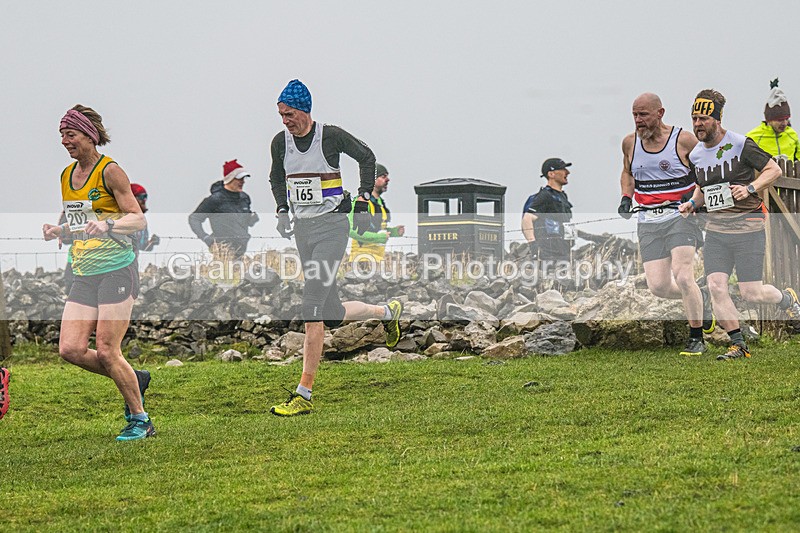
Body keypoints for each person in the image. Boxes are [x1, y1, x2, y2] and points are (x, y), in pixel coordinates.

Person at [268, 79, 403, 417]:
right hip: (303, 231)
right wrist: (282, 209)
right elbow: (276, 178)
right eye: (281, 114)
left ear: (305, 110)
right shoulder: (280, 143)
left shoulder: (330, 136)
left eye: (289, 114)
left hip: (332, 228)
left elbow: (366, 157)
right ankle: (388, 313)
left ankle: (303, 394)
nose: (285, 120)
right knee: (331, 312)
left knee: (311, 306)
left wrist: (364, 197)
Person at [42, 105, 155, 440]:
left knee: (107, 350)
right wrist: (60, 231)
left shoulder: (111, 171)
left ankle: (140, 420)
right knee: (70, 349)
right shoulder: (66, 176)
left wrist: (109, 225)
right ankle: (134, 377)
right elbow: (79, 223)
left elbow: (138, 218)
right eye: (62, 135)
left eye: (71, 134)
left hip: (117, 269)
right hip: (84, 271)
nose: (65, 141)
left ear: (89, 136)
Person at [678, 89, 800, 360]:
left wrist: (750, 188)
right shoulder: (696, 155)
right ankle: (738, 344)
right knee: (716, 286)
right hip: (716, 232)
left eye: (703, 119)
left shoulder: (740, 144)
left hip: (748, 230)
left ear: (717, 119)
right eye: (694, 119)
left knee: (751, 292)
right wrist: (693, 204)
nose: (697, 124)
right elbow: (702, 187)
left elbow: (774, 170)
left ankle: (786, 299)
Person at [617, 92, 715, 357]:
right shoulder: (630, 143)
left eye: (643, 114)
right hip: (648, 220)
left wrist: (694, 196)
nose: (638, 120)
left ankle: (696, 338)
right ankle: (701, 297)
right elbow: (627, 173)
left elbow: (706, 171)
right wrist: (626, 198)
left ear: (660, 113)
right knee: (658, 287)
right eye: (635, 115)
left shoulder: (683, 140)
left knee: (683, 275)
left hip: (680, 216)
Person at [188, 159, 259, 259]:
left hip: (242, 250)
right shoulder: (215, 199)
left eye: (244, 178)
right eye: (239, 178)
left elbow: (242, 222)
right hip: (222, 252)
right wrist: (205, 237)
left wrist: (251, 219)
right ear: (229, 179)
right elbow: (194, 218)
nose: (243, 181)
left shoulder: (245, 198)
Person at [348, 163, 405, 264]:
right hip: (362, 261)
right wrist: (379, 238)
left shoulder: (379, 203)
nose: (388, 180)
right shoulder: (361, 203)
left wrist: (394, 232)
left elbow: (377, 229)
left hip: (378, 260)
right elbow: (351, 230)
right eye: (383, 176)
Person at [521, 158, 574, 263]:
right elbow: (527, 219)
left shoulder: (563, 196)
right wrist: (533, 245)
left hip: (564, 252)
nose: (568, 172)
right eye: (563, 169)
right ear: (551, 174)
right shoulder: (545, 195)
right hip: (548, 254)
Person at [746, 79, 800, 161]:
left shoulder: (792, 134)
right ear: (769, 120)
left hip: (788, 169)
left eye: (786, 119)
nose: (784, 123)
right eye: (780, 120)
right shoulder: (753, 137)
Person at [130, 183, 160, 252]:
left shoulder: (142, 220)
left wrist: (151, 242)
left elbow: (142, 246)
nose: (144, 200)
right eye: (141, 197)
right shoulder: (122, 218)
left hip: (132, 258)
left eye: (145, 196)